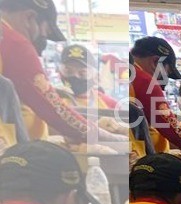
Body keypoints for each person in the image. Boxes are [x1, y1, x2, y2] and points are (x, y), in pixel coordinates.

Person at [0, 0, 120, 142]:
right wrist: (104, 136)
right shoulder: (15, 43)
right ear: (29, 18)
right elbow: (52, 108)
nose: (39, 41)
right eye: (44, 33)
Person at [56, 43, 116, 110]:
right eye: (68, 71)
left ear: (95, 77)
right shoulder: (52, 101)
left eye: (83, 73)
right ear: (60, 73)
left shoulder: (110, 104)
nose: (75, 76)